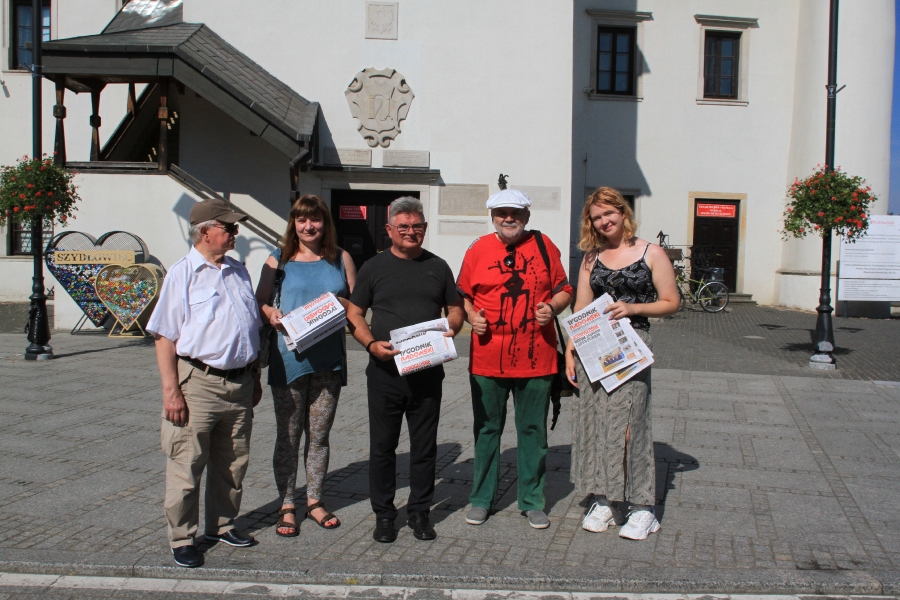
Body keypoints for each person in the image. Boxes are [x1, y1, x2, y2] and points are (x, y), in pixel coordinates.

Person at [147, 198, 264, 568]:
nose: (235, 233)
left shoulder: (238, 271)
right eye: (228, 227)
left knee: (233, 463)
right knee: (187, 466)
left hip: (240, 383)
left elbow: (249, 327)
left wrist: (254, 375)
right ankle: (182, 538)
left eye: (235, 227)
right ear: (205, 232)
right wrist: (172, 392)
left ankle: (222, 525)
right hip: (198, 382)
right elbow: (164, 336)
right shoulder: (182, 273)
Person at [346, 196, 464, 543]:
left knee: (424, 448)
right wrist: (370, 344)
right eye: (403, 227)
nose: (411, 232)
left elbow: (455, 308)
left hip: (427, 373)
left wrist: (452, 327)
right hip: (385, 374)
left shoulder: (438, 266)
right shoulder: (373, 267)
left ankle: (419, 512)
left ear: (424, 228)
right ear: (389, 229)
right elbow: (355, 313)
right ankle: (384, 515)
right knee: (383, 448)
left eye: (417, 226)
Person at [564, 187, 679, 540]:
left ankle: (643, 506)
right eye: (596, 217)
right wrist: (570, 348)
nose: (604, 221)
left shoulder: (651, 252)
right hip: (593, 346)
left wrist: (632, 307)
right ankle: (604, 498)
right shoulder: (591, 258)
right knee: (596, 422)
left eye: (608, 213)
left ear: (622, 212)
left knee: (630, 424)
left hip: (631, 346)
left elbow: (671, 302)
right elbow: (581, 307)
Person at [456, 189, 573, 530]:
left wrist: (552, 307)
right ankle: (481, 498)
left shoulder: (544, 245)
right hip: (487, 358)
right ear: (492, 216)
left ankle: (532, 500)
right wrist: (470, 315)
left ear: (527, 216)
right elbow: (461, 294)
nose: (509, 218)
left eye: (516, 213)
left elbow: (565, 289)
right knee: (487, 429)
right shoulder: (478, 248)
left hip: (537, 357)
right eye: (502, 213)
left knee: (533, 430)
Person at [255, 194, 357, 537]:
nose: (309, 226)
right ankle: (287, 504)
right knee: (288, 436)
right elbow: (260, 301)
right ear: (293, 223)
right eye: (302, 220)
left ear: (325, 223)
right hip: (289, 361)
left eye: (315, 219)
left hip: (329, 361)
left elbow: (357, 305)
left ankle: (314, 501)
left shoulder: (341, 258)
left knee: (319, 437)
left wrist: (345, 305)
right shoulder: (278, 258)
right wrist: (272, 314)